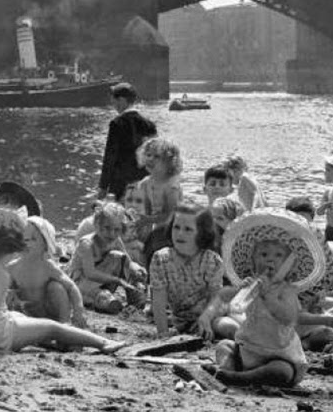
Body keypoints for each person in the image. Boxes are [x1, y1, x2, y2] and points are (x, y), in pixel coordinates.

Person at [0, 206, 126, 354]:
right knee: (51, 326)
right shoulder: (0, 275)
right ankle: (102, 343)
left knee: (17, 316)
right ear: (8, 248)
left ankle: (49, 340)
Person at [214, 208, 326, 387]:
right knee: (224, 347)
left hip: (278, 355)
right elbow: (228, 300)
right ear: (252, 260)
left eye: (278, 255)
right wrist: (240, 290)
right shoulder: (251, 286)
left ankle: (240, 378)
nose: (270, 261)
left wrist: (269, 299)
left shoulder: (287, 290)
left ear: (289, 264)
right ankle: (229, 369)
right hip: (248, 350)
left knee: (282, 372)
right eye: (264, 254)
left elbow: (288, 317)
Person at [284, 195, 333, 350]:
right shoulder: (285, 260)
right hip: (289, 325)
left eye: (306, 222)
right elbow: (295, 314)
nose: (301, 225)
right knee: (327, 331)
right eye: (296, 220)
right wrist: (323, 318)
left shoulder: (312, 264)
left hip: (306, 321)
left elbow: (318, 300)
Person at [150, 202, 223, 338]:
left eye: (188, 229)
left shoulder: (212, 261)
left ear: (202, 233)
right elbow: (158, 301)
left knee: (228, 327)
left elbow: (216, 297)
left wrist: (206, 317)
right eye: (176, 227)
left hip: (210, 316)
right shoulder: (161, 259)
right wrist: (163, 333)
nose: (180, 234)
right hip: (181, 320)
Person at [7, 217, 87, 327]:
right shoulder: (13, 267)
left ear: (45, 246)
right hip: (25, 310)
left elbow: (72, 287)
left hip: (48, 311)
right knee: (7, 292)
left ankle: (64, 322)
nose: (26, 242)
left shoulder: (48, 267)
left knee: (56, 287)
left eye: (33, 239)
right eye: (23, 238)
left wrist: (78, 310)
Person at [69, 202, 146, 314]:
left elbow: (128, 262)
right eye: (107, 228)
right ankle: (103, 299)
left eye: (116, 230)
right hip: (82, 283)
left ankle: (133, 295)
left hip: (104, 281)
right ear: (97, 225)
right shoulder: (86, 244)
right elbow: (90, 273)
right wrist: (117, 280)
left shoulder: (116, 240)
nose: (111, 234)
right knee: (108, 301)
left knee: (118, 257)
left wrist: (136, 269)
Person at [98, 82, 157, 203]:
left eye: (114, 100)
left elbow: (110, 157)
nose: (113, 104)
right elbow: (155, 157)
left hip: (120, 185)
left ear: (121, 100)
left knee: (118, 218)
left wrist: (103, 187)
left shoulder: (117, 124)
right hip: (143, 184)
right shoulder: (149, 124)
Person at [135, 138, 183, 269]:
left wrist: (146, 220)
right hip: (157, 228)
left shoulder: (171, 185)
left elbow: (170, 215)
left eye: (157, 157)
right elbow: (147, 212)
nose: (150, 159)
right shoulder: (145, 183)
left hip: (175, 228)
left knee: (157, 249)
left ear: (169, 162)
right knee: (141, 246)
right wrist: (141, 227)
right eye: (148, 155)